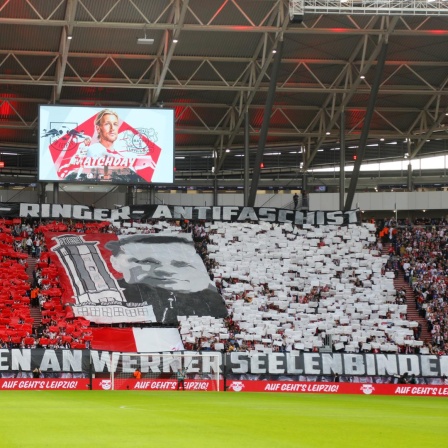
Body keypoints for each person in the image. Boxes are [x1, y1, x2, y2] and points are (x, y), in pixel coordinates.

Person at [106, 234, 228, 324]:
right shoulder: (107, 295)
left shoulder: (211, 302)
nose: (164, 270)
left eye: (180, 264)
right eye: (147, 261)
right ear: (115, 263)